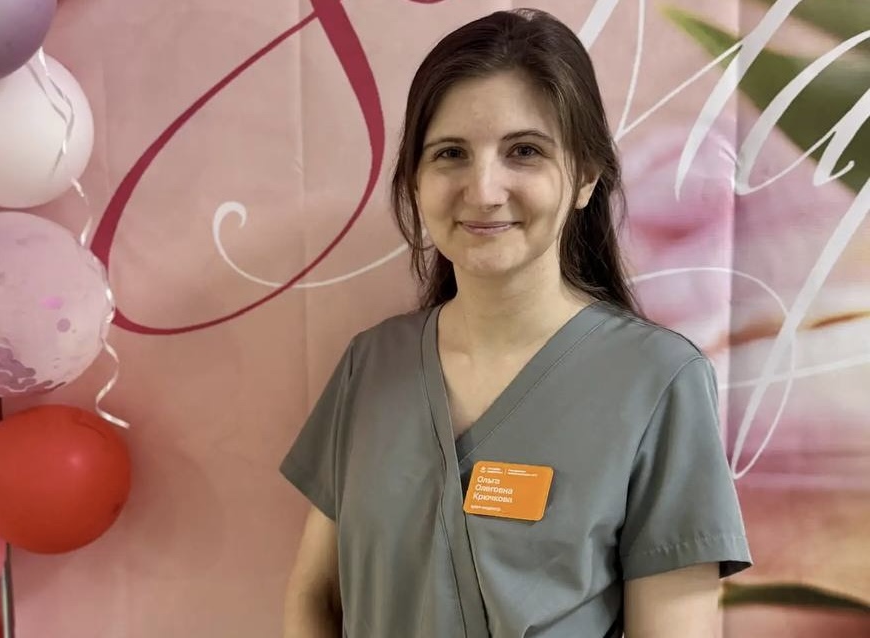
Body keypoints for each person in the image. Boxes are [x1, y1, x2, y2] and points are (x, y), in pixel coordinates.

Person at [280, 8, 751, 638]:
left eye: (524, 151)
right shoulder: (370, 365)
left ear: (585, 177)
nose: (483, 190)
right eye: (450, 154)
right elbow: (314, 597)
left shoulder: (659, 382)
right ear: (415, 179)